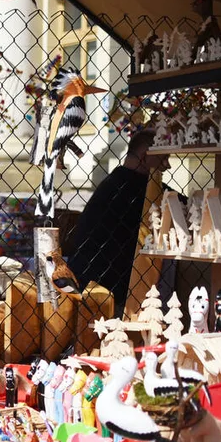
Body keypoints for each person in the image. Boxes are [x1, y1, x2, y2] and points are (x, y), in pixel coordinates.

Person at [67, 129, 169, 315]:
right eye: (163, 158)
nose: (167, 166)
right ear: (146, 157)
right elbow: (177, 202)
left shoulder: (116, 181)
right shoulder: (137, 188)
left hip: (89, 281)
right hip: (105, 289)